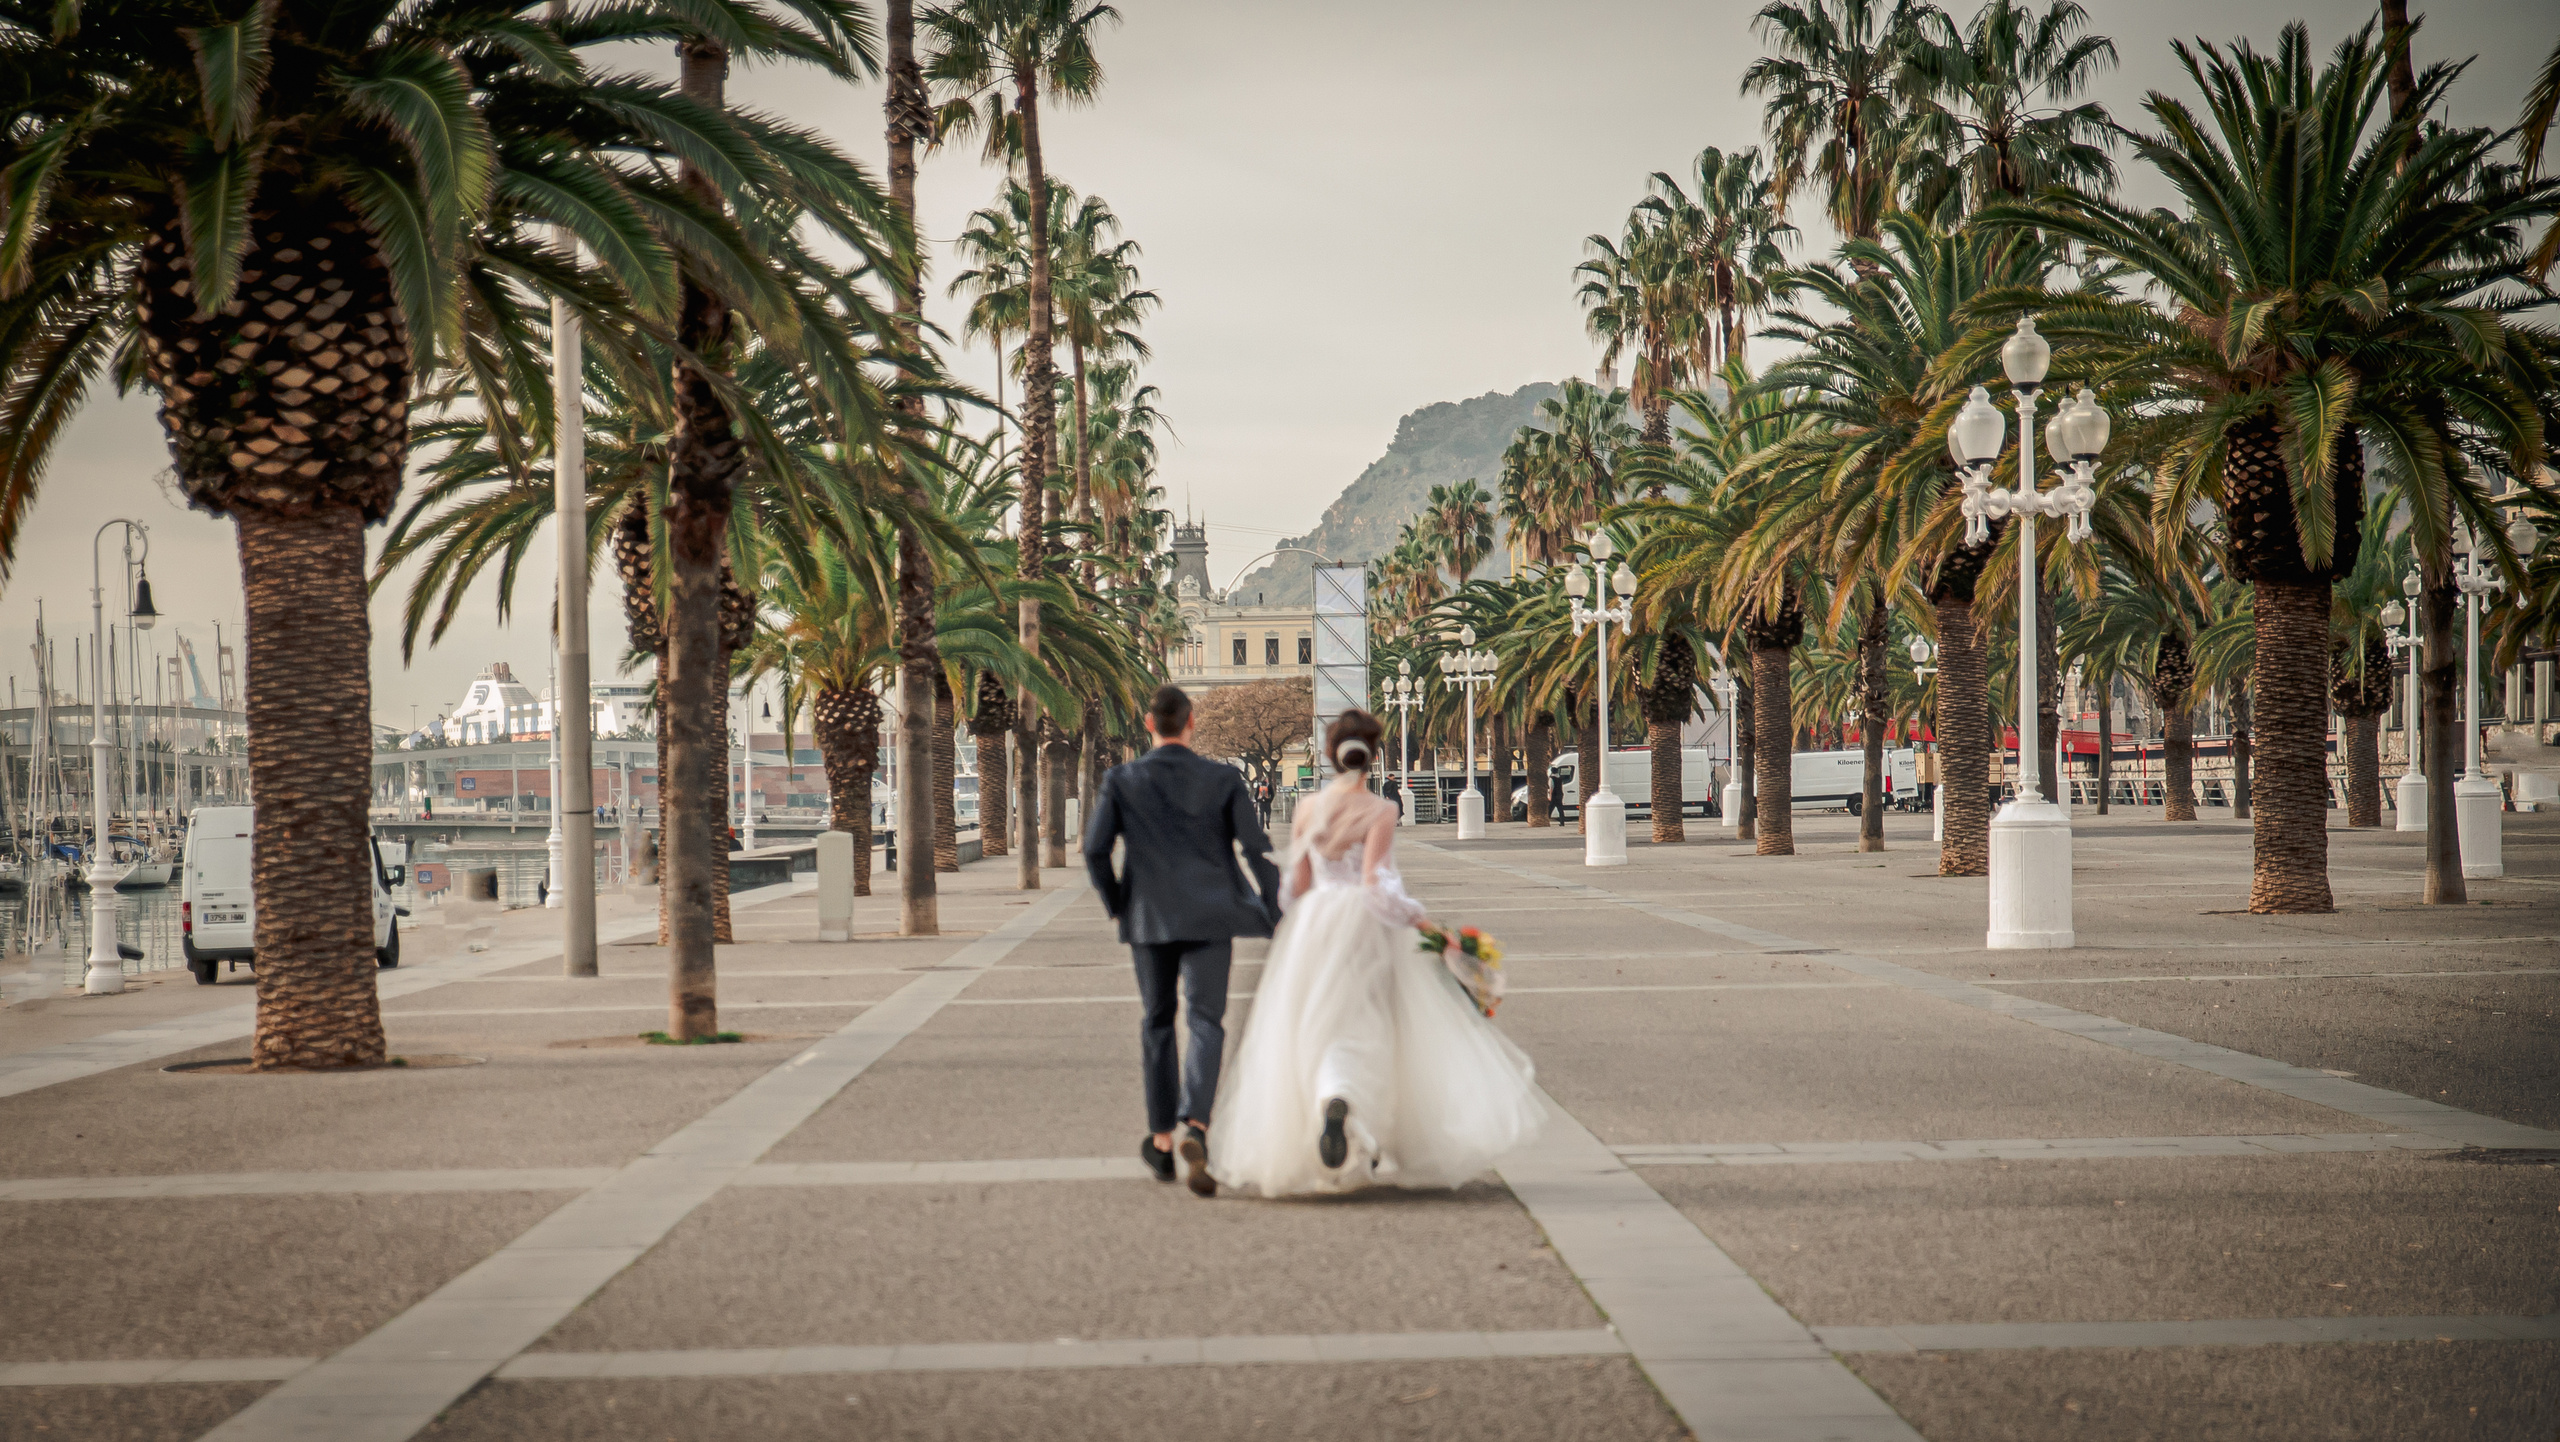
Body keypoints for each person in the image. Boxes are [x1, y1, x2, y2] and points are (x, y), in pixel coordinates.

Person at [1209, 709, 1545, 1198]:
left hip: (1316, 923)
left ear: (1330, 754)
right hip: (1363, 926)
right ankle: (1346, 1103)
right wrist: (1424, 923)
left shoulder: (1306, 808)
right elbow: (1376, 886)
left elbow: (1295, 886)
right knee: (1364, 1021)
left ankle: (1331, 1099)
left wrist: (1293, 924)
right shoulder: (1380, 810)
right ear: (1373, 755)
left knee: (1313, 1023)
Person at [1083, 684, 1282, 1198]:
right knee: (1205, 1020)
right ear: (1191, 722)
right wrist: (1274, 909)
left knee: (1156, 1022)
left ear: (1150, 724)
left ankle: (1163, 1138)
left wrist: (1118, 904)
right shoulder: (1221, 778)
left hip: (1149, 917)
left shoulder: (1122, 779)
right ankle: (1197, 1123)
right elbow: (1256, 848)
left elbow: (1095, 851)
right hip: (1212, 914)